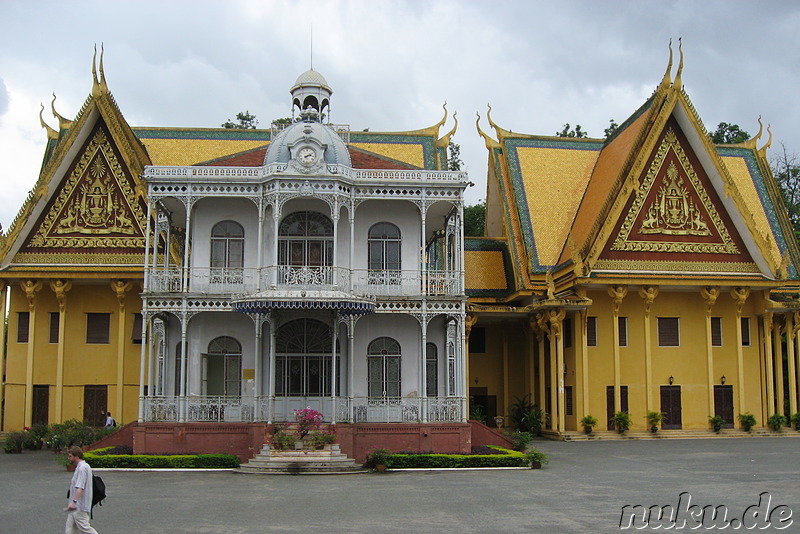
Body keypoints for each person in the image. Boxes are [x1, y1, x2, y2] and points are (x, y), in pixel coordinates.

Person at [65, 446, 99, 534]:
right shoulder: (82, 467)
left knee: (85, 528)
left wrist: (74, 502)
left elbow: (80, 487)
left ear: (76, 456)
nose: (69, 458)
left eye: (70, 456)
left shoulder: (82, 468)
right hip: (76, 507)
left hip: (79, 506)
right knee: (70, 530)